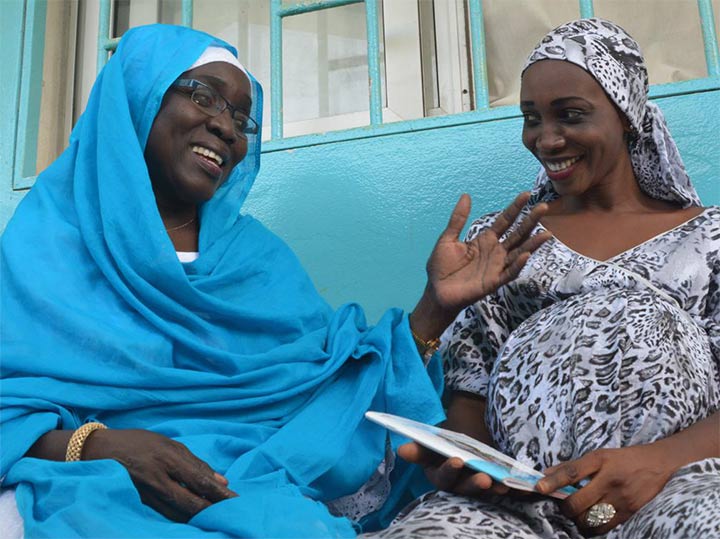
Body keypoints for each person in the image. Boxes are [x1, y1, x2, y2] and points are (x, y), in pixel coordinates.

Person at [0, 24, 549, 538]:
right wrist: (100, 447)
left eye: (242, 120)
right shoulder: (43, 243)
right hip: (88, 485)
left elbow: (329, 395)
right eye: (203, 95)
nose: (226, 129)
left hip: (249, 491)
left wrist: (435, 306)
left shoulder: (256, 259)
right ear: (138, 97)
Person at [367, 17, 720, 539]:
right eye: (531, 118)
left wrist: (657, 461)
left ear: (627, 114)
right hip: (524, 507)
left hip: (676, 481)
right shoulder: (501, 243)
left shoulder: (709, 238)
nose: (547, 139)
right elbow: (468, 390)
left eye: (571, 116)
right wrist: (471, 468)